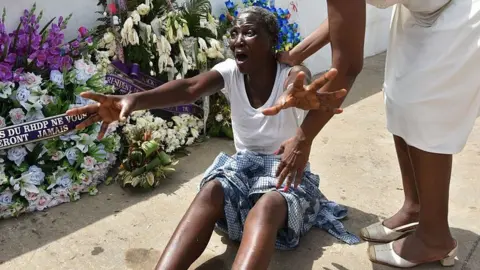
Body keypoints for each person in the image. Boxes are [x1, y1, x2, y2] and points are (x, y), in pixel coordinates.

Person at [67, 7, 358, 270]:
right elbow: (190, 87)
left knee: (266, 207)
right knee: (210, 190)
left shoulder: (287, 73)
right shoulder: (230, 72)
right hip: (243, 167)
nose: (238, 40)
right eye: (234, 33)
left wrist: (301, 91)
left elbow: (300, 76)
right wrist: (132, 98)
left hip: (285, 170)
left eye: (250, 32)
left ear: (272, 42)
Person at [267, 0, 480, 267]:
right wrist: (295, 56)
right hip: (419, 10)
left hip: (459, 10)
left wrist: (303, 137)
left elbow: (346, 66)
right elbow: (344, 17)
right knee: (400, 99)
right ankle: (415, 208)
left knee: (426, 110)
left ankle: (434, 237)